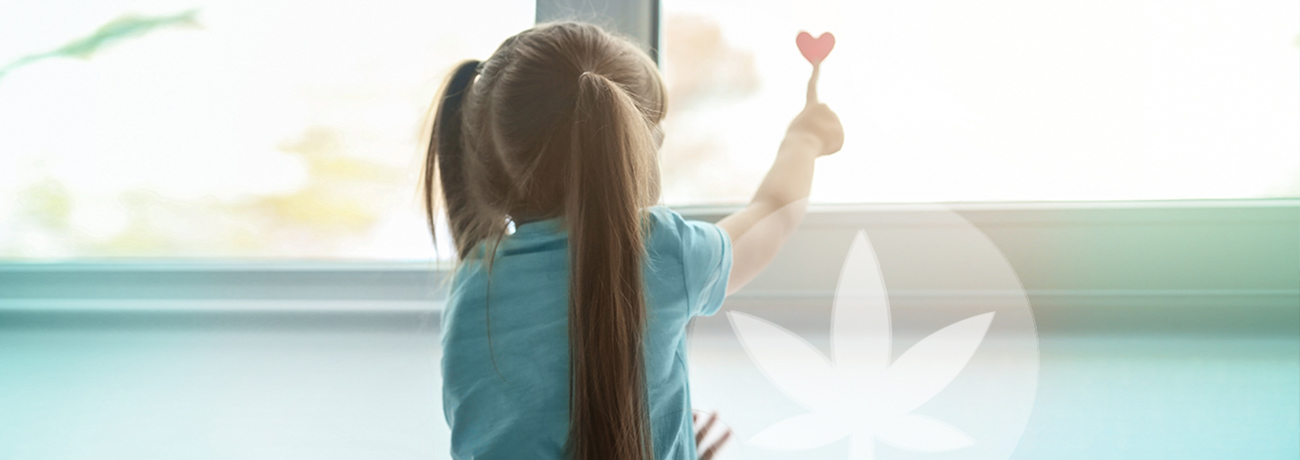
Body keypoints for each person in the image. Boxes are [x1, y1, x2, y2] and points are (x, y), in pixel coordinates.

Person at [423, 21, 843, 460]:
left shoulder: (473, 283)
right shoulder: (661, 251)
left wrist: (659, 431)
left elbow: (530, 418)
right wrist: (804, 139)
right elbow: (772, 216)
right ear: (634, 151)